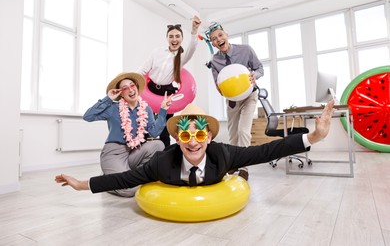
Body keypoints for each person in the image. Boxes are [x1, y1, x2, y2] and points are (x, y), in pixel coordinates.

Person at [55, 100, 335, 194]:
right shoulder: (162, 163)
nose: (193, 142)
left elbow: (265, 152)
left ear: (209, 137)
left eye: (199, 135)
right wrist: (82, 184)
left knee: (243, 164)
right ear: (176, 139)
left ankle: (235, 175)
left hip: (219, 171)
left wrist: (312, 137)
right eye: (185, 137)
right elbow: (126, 178)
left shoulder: (222, 153)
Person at [82, 72, 172, 197]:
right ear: (120, 93)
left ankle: (131, 176)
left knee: (158, 144)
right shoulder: (112, 108)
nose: (130, 89)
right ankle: (107, 180)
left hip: (134, 152)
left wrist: (163, 111)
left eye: (132, 85)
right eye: (125, 88)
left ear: (136, 87)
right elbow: (88, 116)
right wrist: (108, 99)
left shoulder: (146, 109)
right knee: (129, 190)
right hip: (114, 153)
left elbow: (153, 132)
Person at [136, 15, 201, 148]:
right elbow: (143, 70)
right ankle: (141, 153)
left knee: (164, 127)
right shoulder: (157, 52)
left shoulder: (182, 57)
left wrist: (194, 31)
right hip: (150, 89)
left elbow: (192, 47)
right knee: (144, 122)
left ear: (182, 39)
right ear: (167, 38)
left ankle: (165, 155)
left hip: (166, 93)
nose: (174, 39)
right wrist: (131, 82)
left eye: (177, 36)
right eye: (171, 36)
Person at [205, 22, 264, 148]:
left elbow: (260, 68)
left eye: (220, 35)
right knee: (233, 135)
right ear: (213, 43)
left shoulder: (245, 50)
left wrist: (255, 75)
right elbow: (218, 85)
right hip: (232, 100)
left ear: (226, 35)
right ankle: (234, 163)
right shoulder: (214, 61)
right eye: (214, 39)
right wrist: (220, 88)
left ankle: (244, 167)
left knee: (243, 131)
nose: (219, 40)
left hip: (249, 96)